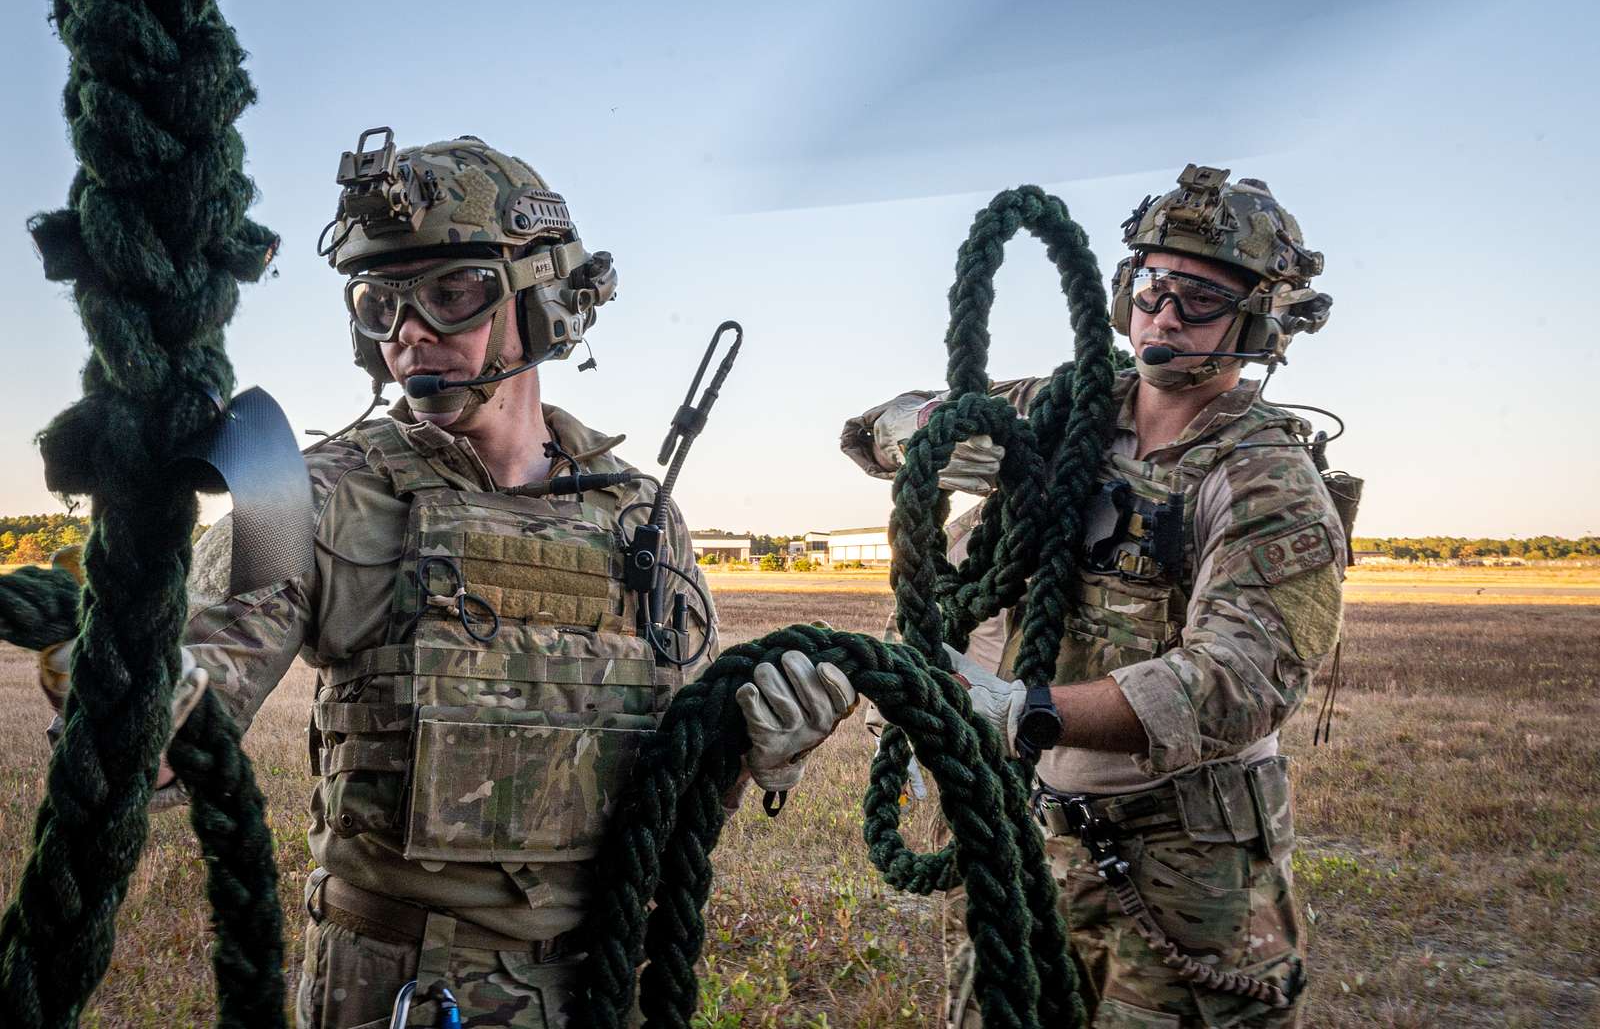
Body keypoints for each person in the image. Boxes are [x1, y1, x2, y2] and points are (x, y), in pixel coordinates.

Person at [35, 129, 855, 1028]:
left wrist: (759, 749)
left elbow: (669, 774)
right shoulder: (307, 498)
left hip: (607, 983)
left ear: (546, 303)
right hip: (406, 994)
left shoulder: (638, 516)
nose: (410, 334)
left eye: (451, 294)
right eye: (379, 303)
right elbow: (180, 717)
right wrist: (123, 669)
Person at [841, 165, 1350, 1028]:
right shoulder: (1071, 405)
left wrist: (1021, 710)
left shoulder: (1265, 477)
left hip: (1191, 861)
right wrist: (935, 429)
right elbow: (873, 431)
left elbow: (1242, 682)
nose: (1166, 316)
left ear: (1258, 320)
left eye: (1199, 298)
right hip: (1038, 832)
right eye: (1152, 287)